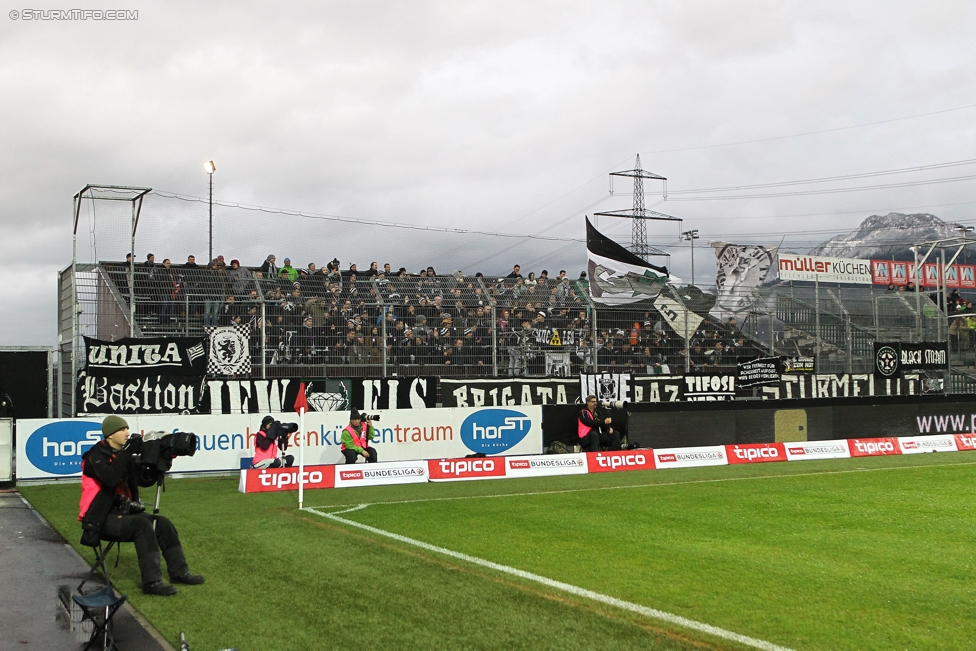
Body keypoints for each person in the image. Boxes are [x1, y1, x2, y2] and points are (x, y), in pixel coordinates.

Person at [79, 416, 204, 596]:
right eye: (122, 430)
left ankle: (179, 572)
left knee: (163, 523)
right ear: (110, 435)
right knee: (143, 526)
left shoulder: (123, 455)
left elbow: (142, 481)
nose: (127, 433)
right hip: (99, 518)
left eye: (127, 429)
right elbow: (110, 479)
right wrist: (127, 452)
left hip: (124, 512)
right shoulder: (95, 456)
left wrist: (159, 461)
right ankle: (152, 582)